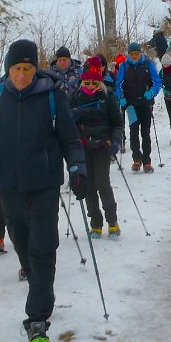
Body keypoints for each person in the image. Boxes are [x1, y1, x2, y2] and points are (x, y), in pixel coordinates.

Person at [0, 39, 86, 342]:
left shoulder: (51, 95)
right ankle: (35, 280)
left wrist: (77, 168)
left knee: (43, 248)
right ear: (8, 69)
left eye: (28, 68)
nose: (22, 75)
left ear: (35, 68)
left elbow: (70, 139)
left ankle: (38, 318)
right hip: (7, 187)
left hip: (43, 185)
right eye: (17, 68)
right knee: (23, 243)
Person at [69, 64, 123, 238]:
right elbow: (67, 123)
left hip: (102, 145)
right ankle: (96, 223)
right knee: (88, 186)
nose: (90, 86)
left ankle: (112, 221)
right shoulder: (75, 97)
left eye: (94, 82)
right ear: (82, 82)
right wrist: (72, 117)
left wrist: (116, 140)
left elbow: (118, 123)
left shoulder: (107, 97)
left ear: (100, 83)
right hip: (83, 147)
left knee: (102, 182)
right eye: (87, 82)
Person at [114, 41, 162, 173]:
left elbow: (157, 82)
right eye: (132, 54)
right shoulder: (124, 66)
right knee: (133, 131)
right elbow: (118, 85)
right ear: (128, 54)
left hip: (145, 103)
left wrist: (152, 92)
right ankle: (136, 159)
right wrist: (120, 96)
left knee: (145, 133)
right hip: (131, 104)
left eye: (136, 53)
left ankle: (147, 161)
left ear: (140, 53)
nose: (134, 56)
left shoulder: (148, 64)